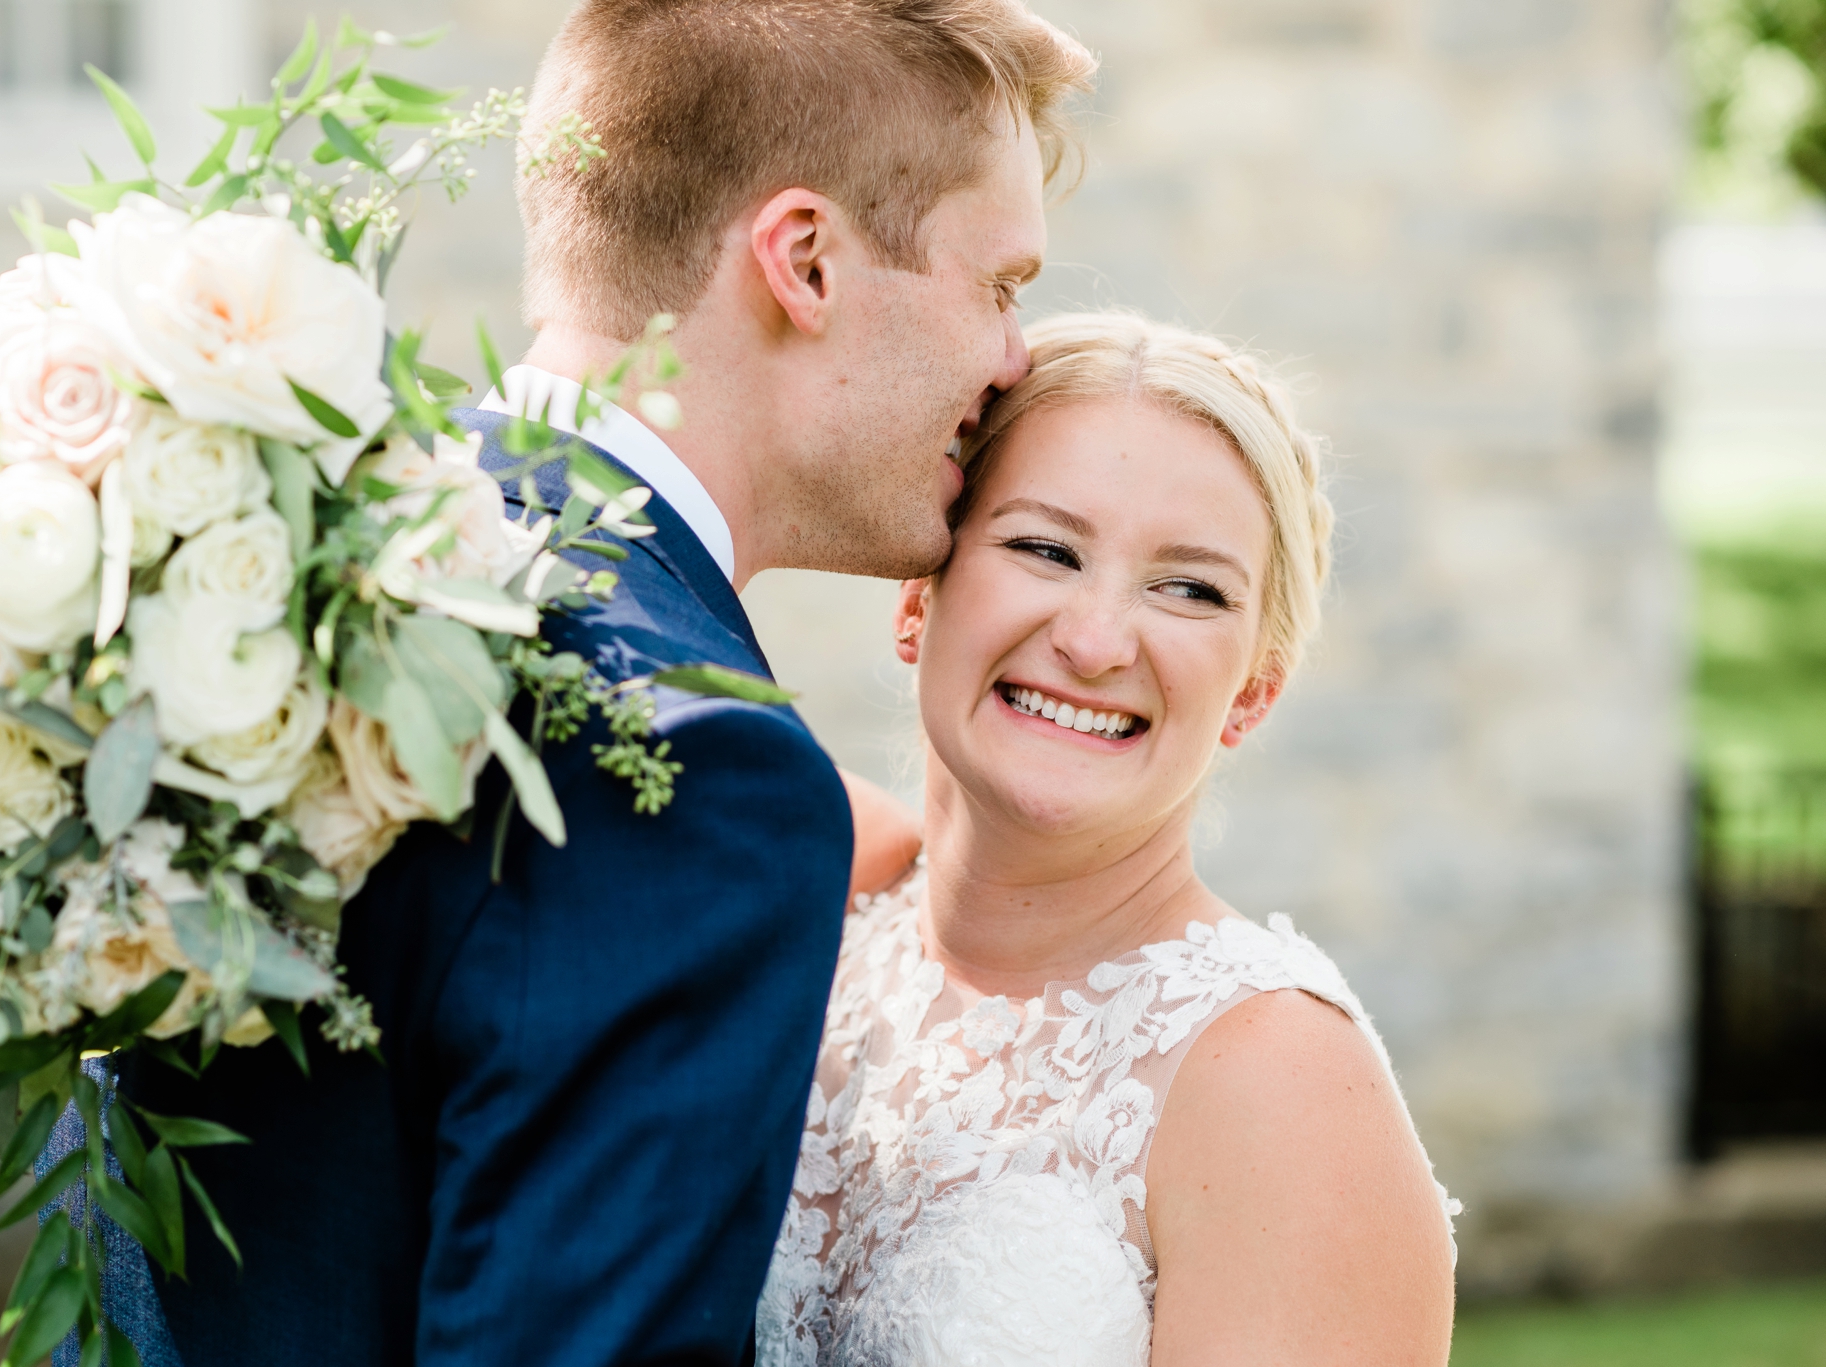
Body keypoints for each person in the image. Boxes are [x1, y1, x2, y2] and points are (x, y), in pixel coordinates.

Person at [92, 3, 1098, 1365]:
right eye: (1000, 284)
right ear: (804, 259)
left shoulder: (274, 555)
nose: (1014, 354)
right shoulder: (704, 771)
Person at [757, 313, 1461, 1366]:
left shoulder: (1280, 1083)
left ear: (1251, 695)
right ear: (915, 599)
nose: (1092, 640)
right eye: (1043, 547)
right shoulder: (815, 887)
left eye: (1188, 588)